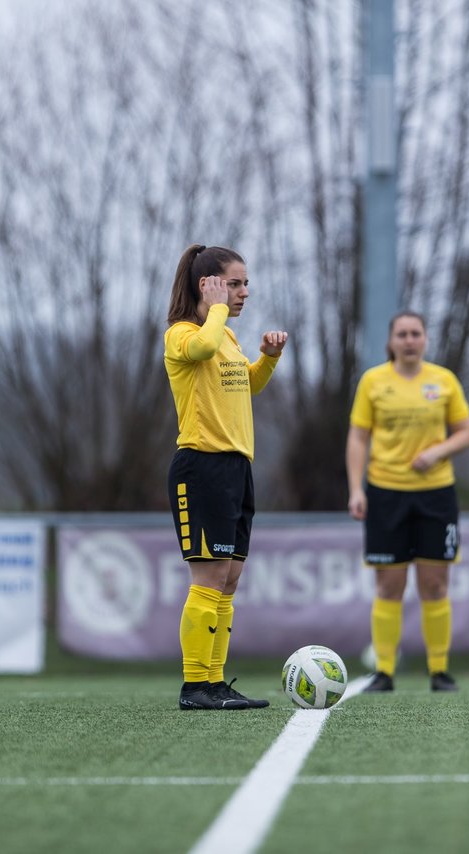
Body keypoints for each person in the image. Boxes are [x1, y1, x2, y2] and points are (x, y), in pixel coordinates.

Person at [164, 244, 288, 710]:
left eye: (245, 283)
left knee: (230, 578)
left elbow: (247, 385)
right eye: (234, 283)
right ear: (208, 285)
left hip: (237, 467)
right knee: (209, 577)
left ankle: (215, 683)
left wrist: (268, 359)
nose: (244, 293)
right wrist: (216, 311)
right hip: (202, 467)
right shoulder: (182, 333)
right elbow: (202, 346)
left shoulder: (229, 338)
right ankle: (194, 686)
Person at [346, 311, 469, 693]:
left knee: (435, 585)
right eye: (401, 333)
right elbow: (357, 438)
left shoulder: (443, 380)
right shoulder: (373, 381)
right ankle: (384, 671)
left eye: (415, 333)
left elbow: (466, 433)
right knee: (389, 586)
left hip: (436, 495)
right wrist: (357, 489)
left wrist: (438, 453)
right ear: (391, 341)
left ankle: (439, 671)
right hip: (386, 493)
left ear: (425, 339)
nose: (408, 340)